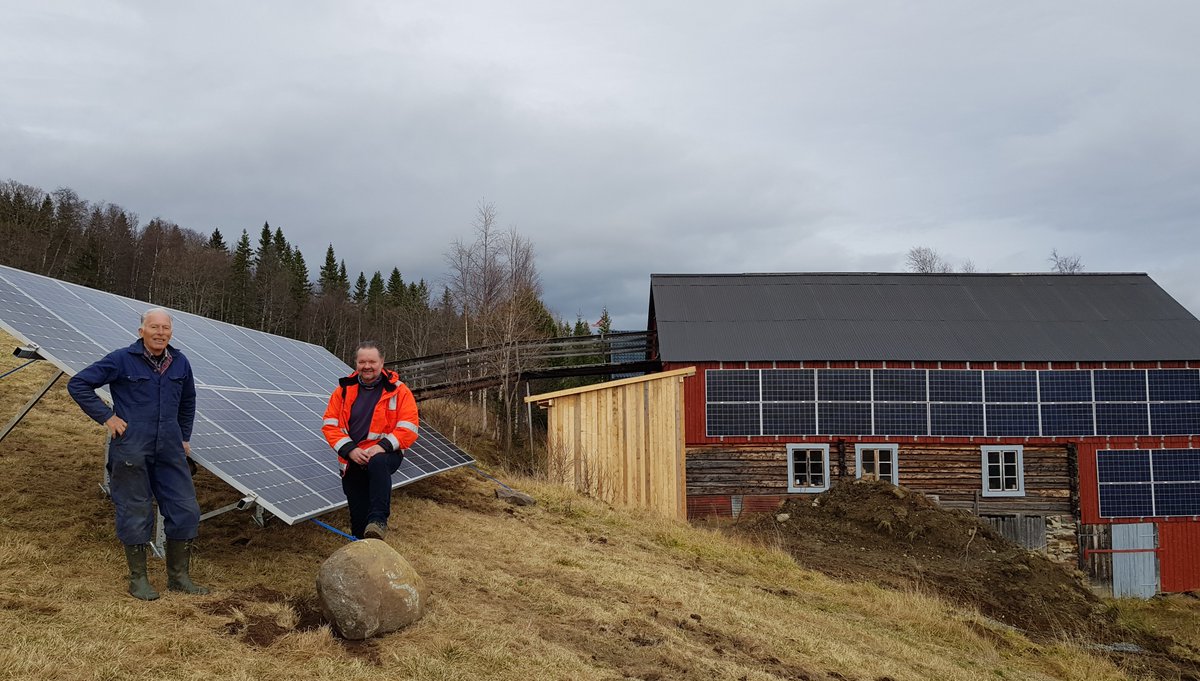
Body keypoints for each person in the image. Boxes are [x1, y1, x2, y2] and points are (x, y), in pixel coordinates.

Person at [67, 308, 208, 600]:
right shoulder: (121, 359)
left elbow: (188, 401)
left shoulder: (180, 362)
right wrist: (107, 417)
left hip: (170, 447)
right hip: (132, 446)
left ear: (171, 332)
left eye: (165, 328)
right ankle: (138, 580)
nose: (160, 332)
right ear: (140, 330)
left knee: (186, 509)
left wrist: (183, 437)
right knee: (135, 510)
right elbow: (79, 384)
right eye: (153, 327)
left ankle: (179, 578)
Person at [321, 341, 419, 540]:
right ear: (356, 363)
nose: (367, 366)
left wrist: (381, 447)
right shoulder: (343, 391)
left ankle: (378, 520)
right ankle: (362, 550)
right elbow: (330, 425)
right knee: (357, 517)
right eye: (362, 361)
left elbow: (409, 427)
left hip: (385, 454)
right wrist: (350, 450)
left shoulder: (399, 391)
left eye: (372, 361)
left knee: (378, 463)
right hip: (352, 459)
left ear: (382, 362)